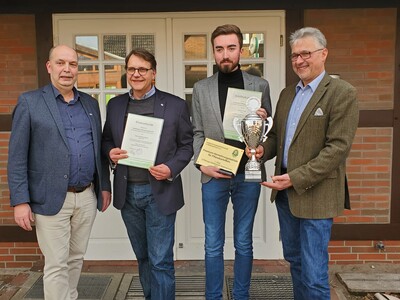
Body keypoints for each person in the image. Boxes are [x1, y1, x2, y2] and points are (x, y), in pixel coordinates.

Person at [251, 27, 359, 299]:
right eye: (294, 55)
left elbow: (337, 149)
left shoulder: (341, 92)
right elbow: (277, 136)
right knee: (295, 262)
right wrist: (262, 149)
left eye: (305, 53)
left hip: (316, 194)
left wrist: (295, 178)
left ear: (323, 54)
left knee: (314, 274)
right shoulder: (288, 94)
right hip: (285, 192)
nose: (299, 60)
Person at [7, 45, 112, 300]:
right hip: (50, 198)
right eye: (61, 63)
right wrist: (20, 201)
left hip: (86, 195)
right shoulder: (30, 102)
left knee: (76, 258)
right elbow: (17, 156)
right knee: (56, 264)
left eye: (73, 64)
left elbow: (97, 147)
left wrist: (105, 185)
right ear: (49, 66)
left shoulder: (90, 103)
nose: (67, 69)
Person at [102, 48, 193, 300]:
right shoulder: (115, 104)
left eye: (142, 69)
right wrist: (110, 152)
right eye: (131, 69)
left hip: (160, 192)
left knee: (161, 260)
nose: (136, 74)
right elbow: (106, 140)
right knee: (143, 257)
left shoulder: (175, 105)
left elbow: (187, 146)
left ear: (153, 73)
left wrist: (171, 168)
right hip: (128, 193)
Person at [191, 24, 272, 300]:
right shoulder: (201, 88)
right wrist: (201, 164)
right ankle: (213, 297)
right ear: (214, 52)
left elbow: (267, 134)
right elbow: (198, 132)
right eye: (219, 49)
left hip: (247, 174)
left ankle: (241, 296)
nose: (225, 54)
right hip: (213, 173)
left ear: (241, 50)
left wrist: (260, 142)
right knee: (212, 245)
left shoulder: (259, 85)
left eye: (231, 48)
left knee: (243, 242)